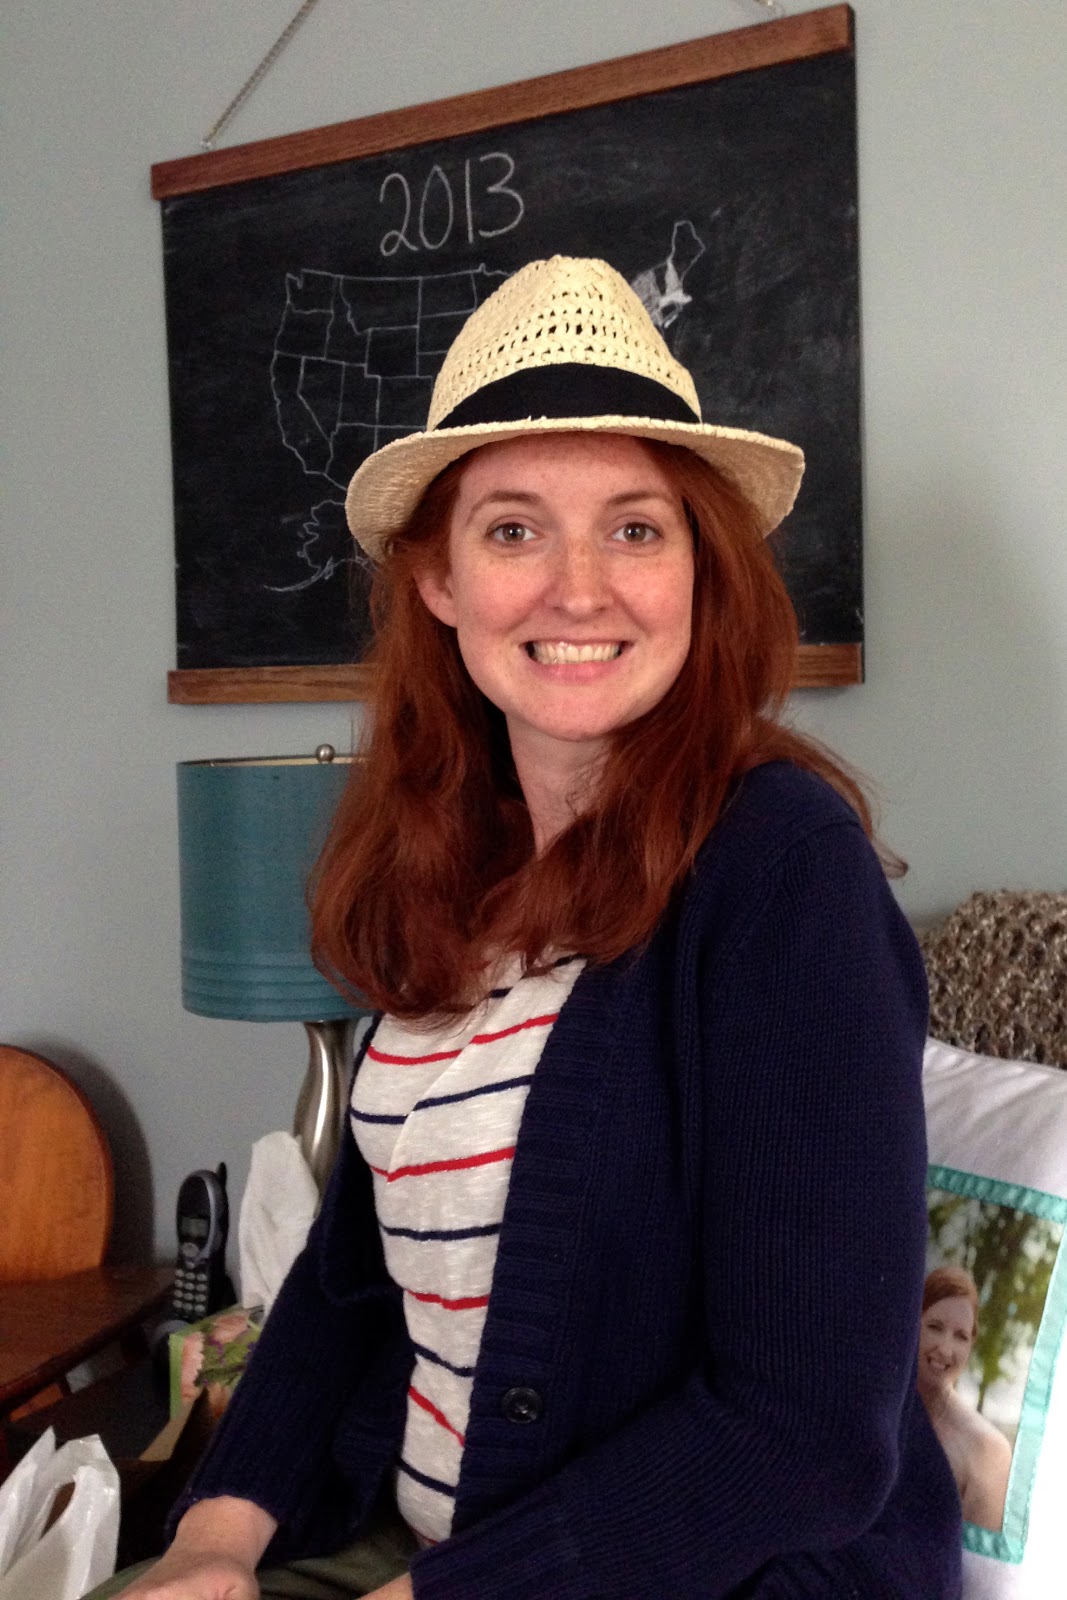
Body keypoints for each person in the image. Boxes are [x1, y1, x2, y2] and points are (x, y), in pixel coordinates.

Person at [105, 257, 963, 1598]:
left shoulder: (785, 876)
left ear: (699, 570)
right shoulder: (446, 866)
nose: (578, 588)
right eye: (512, 529)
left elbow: (801, 1436)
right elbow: (348, 1282)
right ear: (437, 578)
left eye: (634, 529)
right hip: (434, 1546)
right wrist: (213, 1535)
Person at [918, 1265, 1012, 1532]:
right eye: (935, 1327)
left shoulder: (988, 1450)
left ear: (971, 1344)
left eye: (960, 1336)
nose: (945, 1349)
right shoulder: (877, 1411)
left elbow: (977, 1557)